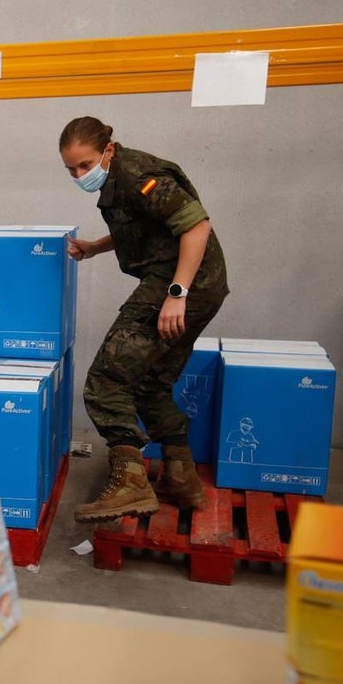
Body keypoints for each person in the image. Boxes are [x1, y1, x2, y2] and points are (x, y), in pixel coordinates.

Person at [59, 116, 229, 523]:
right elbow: (142, 226)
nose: (79, 175)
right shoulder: (117, 182)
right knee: (151, 382)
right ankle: (180, 477)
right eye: (71, 169)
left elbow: (196, 226)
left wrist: (177, 293)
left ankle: (132, 484)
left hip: (180, 284)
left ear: (109, 151)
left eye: (85, 165)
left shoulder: (139, 175)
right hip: (196, 285)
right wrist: (94, 248)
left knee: (106, 381)